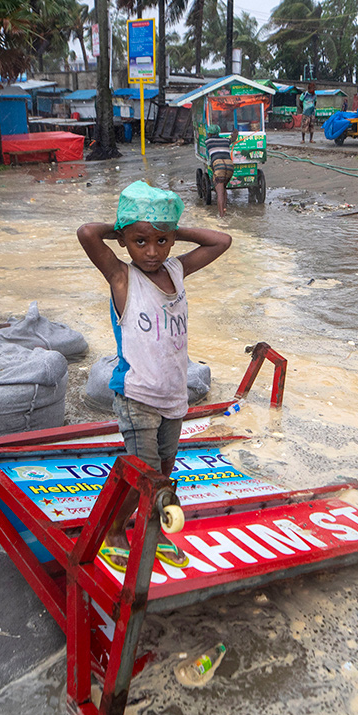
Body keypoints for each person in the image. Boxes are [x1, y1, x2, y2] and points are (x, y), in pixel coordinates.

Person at [77, 182, 232, 572]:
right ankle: (114, 530)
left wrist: (171, 229)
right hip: (137, 397)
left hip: (173, 397)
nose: (151, 251)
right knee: (145, 473)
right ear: (126, 242)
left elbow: (221, 241)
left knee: (163, 473)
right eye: (140, 241)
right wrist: (127, 227)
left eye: (161, 241)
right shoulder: (122, 278)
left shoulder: (176, 269)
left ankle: (153, 531)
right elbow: (87, 233)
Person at [204, 122, 239, 218]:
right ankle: (224, 210)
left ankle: (221, 217)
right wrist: (235, 134)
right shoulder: (226, 140)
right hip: (230, 165)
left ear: (210, 134)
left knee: (219, 192)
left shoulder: (208, 141)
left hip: (218, 165)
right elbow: (233, 138)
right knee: (224, 189)